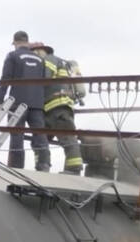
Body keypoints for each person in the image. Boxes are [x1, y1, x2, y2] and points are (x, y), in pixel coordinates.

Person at [0, 31, 51, 171]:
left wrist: (0, 100)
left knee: (17, 135)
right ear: (27, 42)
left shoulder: (12, 56)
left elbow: (6, 78)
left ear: (15, 42)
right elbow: (45, 82)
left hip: (18, 102)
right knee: (40, 134)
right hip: (37, 104)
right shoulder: (40, 59)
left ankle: (17, 168)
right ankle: (44, 165)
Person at [31, 42, 83, 175]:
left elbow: (45, 77)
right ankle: (42, 166)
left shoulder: (49, 59)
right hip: (50, 109)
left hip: (58, 107)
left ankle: (73, 169)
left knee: (67, 137)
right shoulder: (60, 62)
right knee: (39, 139)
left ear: (39, 51)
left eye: (34, 52)